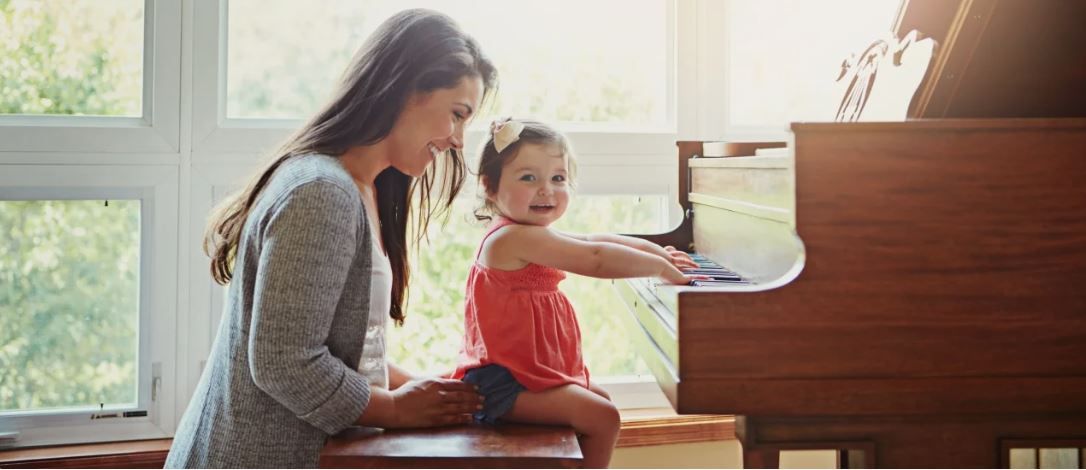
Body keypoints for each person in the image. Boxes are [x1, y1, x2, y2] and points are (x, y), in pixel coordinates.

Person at [165, 9, 497, 468]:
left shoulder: (365, 190)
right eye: (457, 114)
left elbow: (348, 352)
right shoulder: (321, 192)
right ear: (405, 89)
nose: (460, 140)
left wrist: (431, 394)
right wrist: (399, 408)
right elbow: (285, 362)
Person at [451, 118, 704, 468]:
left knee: (599, 400)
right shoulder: (512, 238)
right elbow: (596, 259)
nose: (547, 190)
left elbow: (596, 240)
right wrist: (658, 268)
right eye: (529, 178)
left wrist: (658, 252)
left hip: (529, 374)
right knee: (603, 417)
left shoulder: (529, 234)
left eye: (558, 178)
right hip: (503, 384)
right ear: (490, 188)